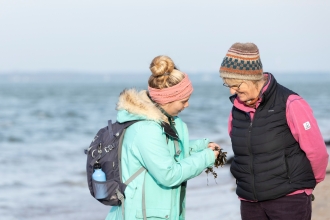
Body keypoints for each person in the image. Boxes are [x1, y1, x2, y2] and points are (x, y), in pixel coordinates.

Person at [219, 42, 329, 220]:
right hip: (250, 202)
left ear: (253, 78)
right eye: (228, 85)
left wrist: (306, 186)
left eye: (236, 84)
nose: (232, 91)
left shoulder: (291, 103)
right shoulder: (236, 110)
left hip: (289, 200)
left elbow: (317, 152)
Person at [105, 55, 220, 220]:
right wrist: (207, 157)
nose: (187, 105)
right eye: (183, 100)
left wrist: (202, 146)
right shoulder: (145, 129)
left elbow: (170, 150)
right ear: (168, 99)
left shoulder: (163, 121)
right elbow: (168, 175)